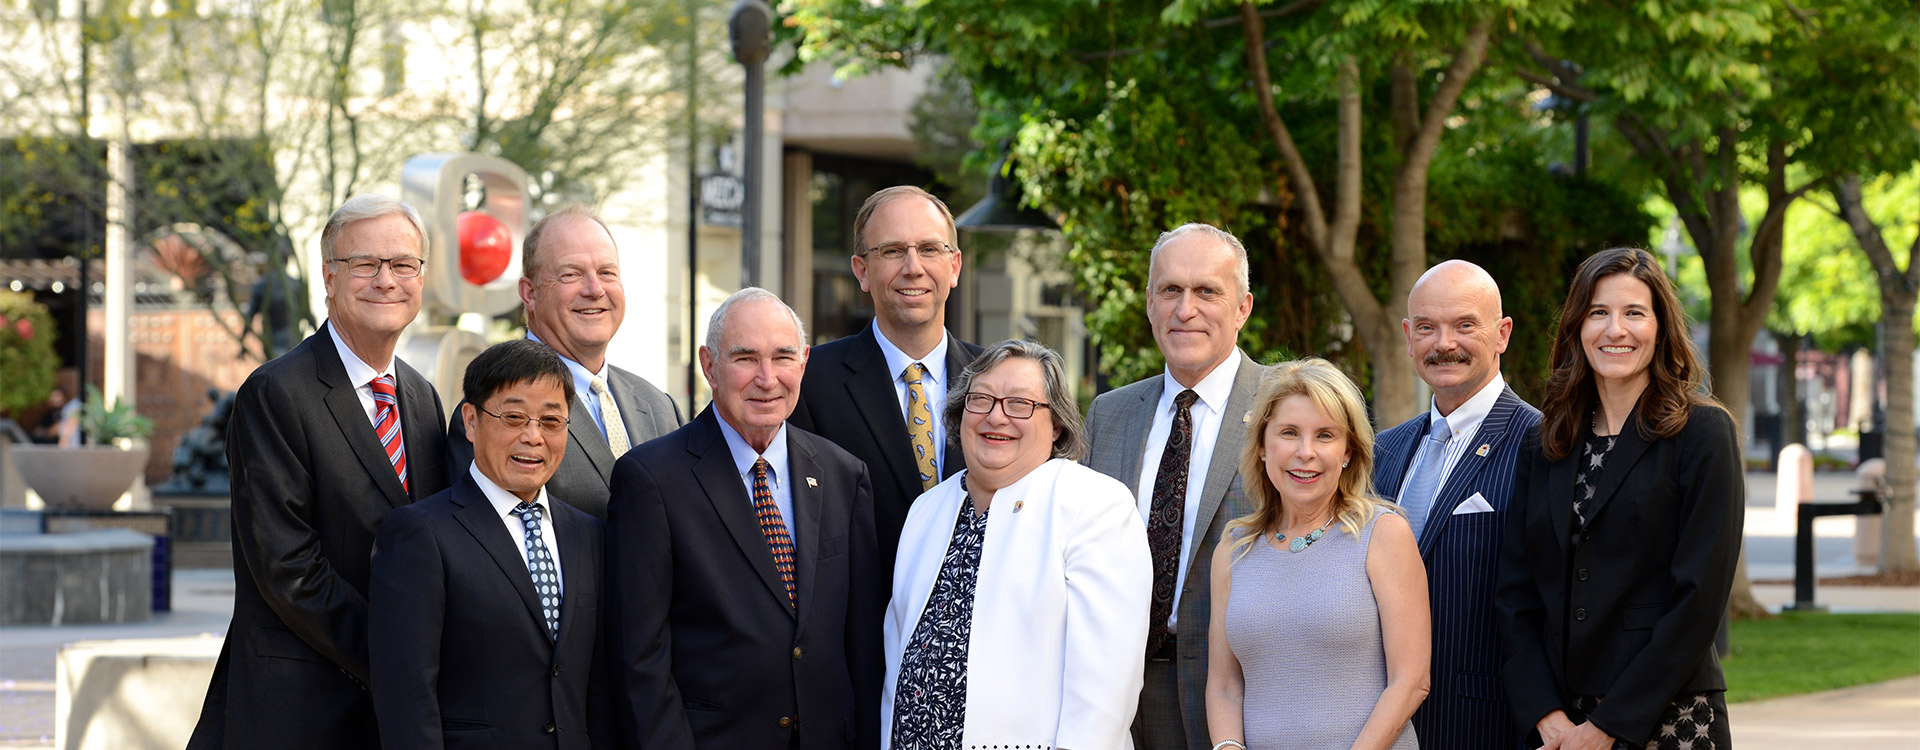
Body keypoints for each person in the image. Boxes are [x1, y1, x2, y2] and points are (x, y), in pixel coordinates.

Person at [190, 195, 451, 749]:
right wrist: (399, 655)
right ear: (329, 277)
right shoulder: (275, 392)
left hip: (396, 715)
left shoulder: (422, 397)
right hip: (304, 710)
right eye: (365, 263)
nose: (386, 280)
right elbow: (288, 568)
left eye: (403, 264)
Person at [604, 287, 881, 750]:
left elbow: (864, 644)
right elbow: (639, 659)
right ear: (709, 365)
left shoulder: (844, 475)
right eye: (746, 358)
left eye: (783, 357)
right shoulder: (651, 480)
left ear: (804, 363)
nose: (767, 378)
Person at [1496, 248, 1743, 750]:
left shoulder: (1703, 433)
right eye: (1598, 313)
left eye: (1634, 313)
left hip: (1669, 717)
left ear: (1661, 327)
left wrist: (1607, 726)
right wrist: (1546, 714)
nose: (1616, 330)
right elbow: (1516, 594)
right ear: (1577, 328)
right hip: (1560, 724)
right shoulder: (1545, 442)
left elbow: (1698, 601)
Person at [884, 339, 1151, 750]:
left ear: (1056, 423)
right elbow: (895, 657)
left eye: (1020, 404)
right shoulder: (926, 510)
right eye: (980, 399)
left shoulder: (1095, 505)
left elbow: (1105, 694)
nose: (996, 416)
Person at [1083, 222, 1268, 750]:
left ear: (1242, 308)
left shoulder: (1285, 406)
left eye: (1207, 291)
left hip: (1243, 698)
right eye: (1170, 290)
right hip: (1117, 697)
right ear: (1149, 303)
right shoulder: (1109, 415)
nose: (1186, 309)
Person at [370, 340, 608, 748]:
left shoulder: (589, 535)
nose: (533, 437)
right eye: (513, 417)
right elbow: (406, 698)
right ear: (471, 420)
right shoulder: (421, 534)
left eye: (551, 421)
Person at [1206, 357, 1430, 750]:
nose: (1305, 452)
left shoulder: (1383, 533)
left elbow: (1410, 682)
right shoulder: (1233, 549)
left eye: (1325, 435)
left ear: (1348, 452)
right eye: (1289, 433)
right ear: (1262, 447)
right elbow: (1224, 685)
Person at [1372, 260, 1540, 750]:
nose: (1444, 343)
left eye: (1465, 325)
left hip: (1486, 726)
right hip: (1380, 723)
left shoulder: (1542, 444)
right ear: (1409, 338)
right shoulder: (1382, 451)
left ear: (1502, 334)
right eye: (1427, 327)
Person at [790, 186, 984, 581]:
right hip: (858, 617)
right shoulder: (808, 382)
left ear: (954, 266)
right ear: (862, 270)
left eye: (929, 249)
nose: (913, 267)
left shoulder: (995, 381)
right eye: (893, 251)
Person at [449, 205, 682, 519]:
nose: (595, 289)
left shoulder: (659, 407)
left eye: (607, 273)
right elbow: (481, 536)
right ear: (529, 294)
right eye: (571, 274)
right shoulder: (491, 408)